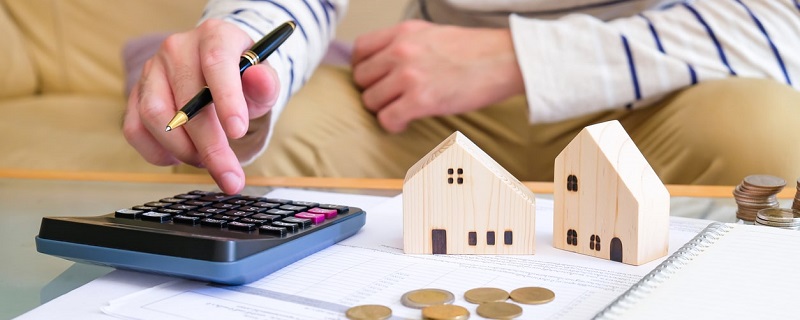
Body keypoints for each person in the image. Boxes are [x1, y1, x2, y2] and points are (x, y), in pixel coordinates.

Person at [124, 0, 800, 194]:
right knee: (252, 159)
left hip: (662, 84)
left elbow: (780, 23)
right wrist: (238, 42)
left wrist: (519, 57)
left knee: (766, 138)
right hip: (423, 97)